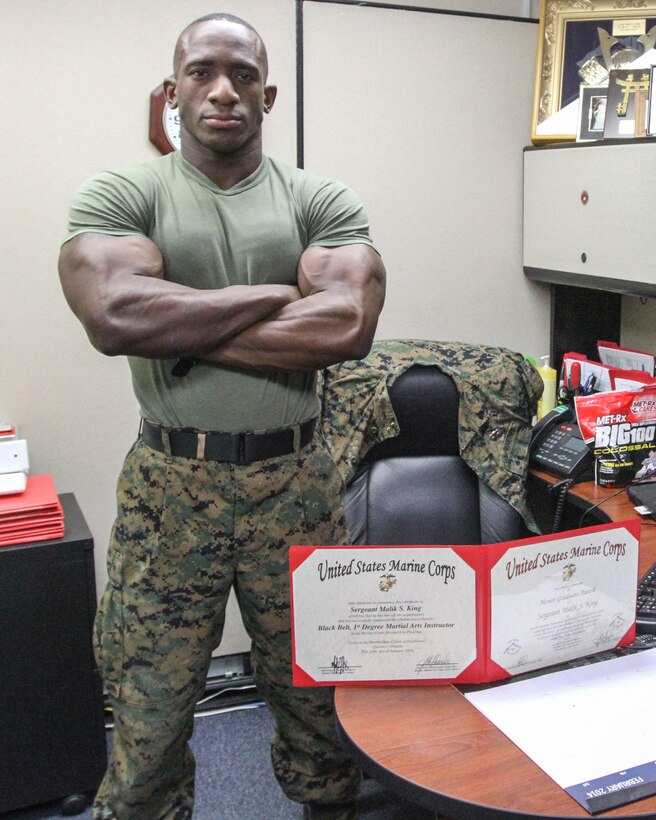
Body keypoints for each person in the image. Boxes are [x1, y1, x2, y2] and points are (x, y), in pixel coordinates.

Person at [58, 12, 386, 820]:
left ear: (266, 94)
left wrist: (188, 331)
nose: (223, 91)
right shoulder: (125, 193)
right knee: (149, 711)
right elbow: (114, 315)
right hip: (171, 489)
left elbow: (346, 326)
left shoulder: (317, 199)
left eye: (242, 76)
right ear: (174, 92)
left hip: (297, 484)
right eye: (202, 72)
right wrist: (279, 296)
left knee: (319, 698)